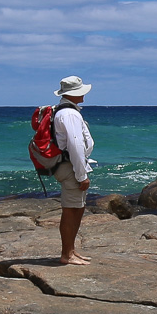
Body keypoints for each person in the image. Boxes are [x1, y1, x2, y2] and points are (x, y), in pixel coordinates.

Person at [51, 76, 96, 265]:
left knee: (77, 208)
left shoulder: (65, 111)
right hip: (70, 167)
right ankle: (66, 255)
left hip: (69, 165)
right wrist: (81, 175)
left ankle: (71, 250)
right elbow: (76, 145)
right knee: (70, 210)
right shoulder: (69, 114)